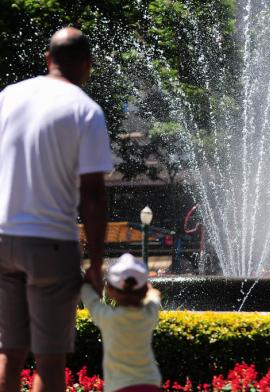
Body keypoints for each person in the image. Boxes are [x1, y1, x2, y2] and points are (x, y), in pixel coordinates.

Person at [0, 27, 113, 392]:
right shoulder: (85, 110)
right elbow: (93, 195)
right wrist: (96, 264)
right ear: (87, 65)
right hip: (50, 242)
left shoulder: (7, 97)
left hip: (3, 239)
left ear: (48, 59)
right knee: (49, 359)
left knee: (9, 352)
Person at [81, 253, 162, 392]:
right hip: (150, 383)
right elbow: (154, 295)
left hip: (119, 386)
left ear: (111, 291)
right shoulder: (150, 314)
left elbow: (89, 298)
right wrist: (148, 288)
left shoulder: (107, 318)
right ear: (143, 290)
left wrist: (89, 279)